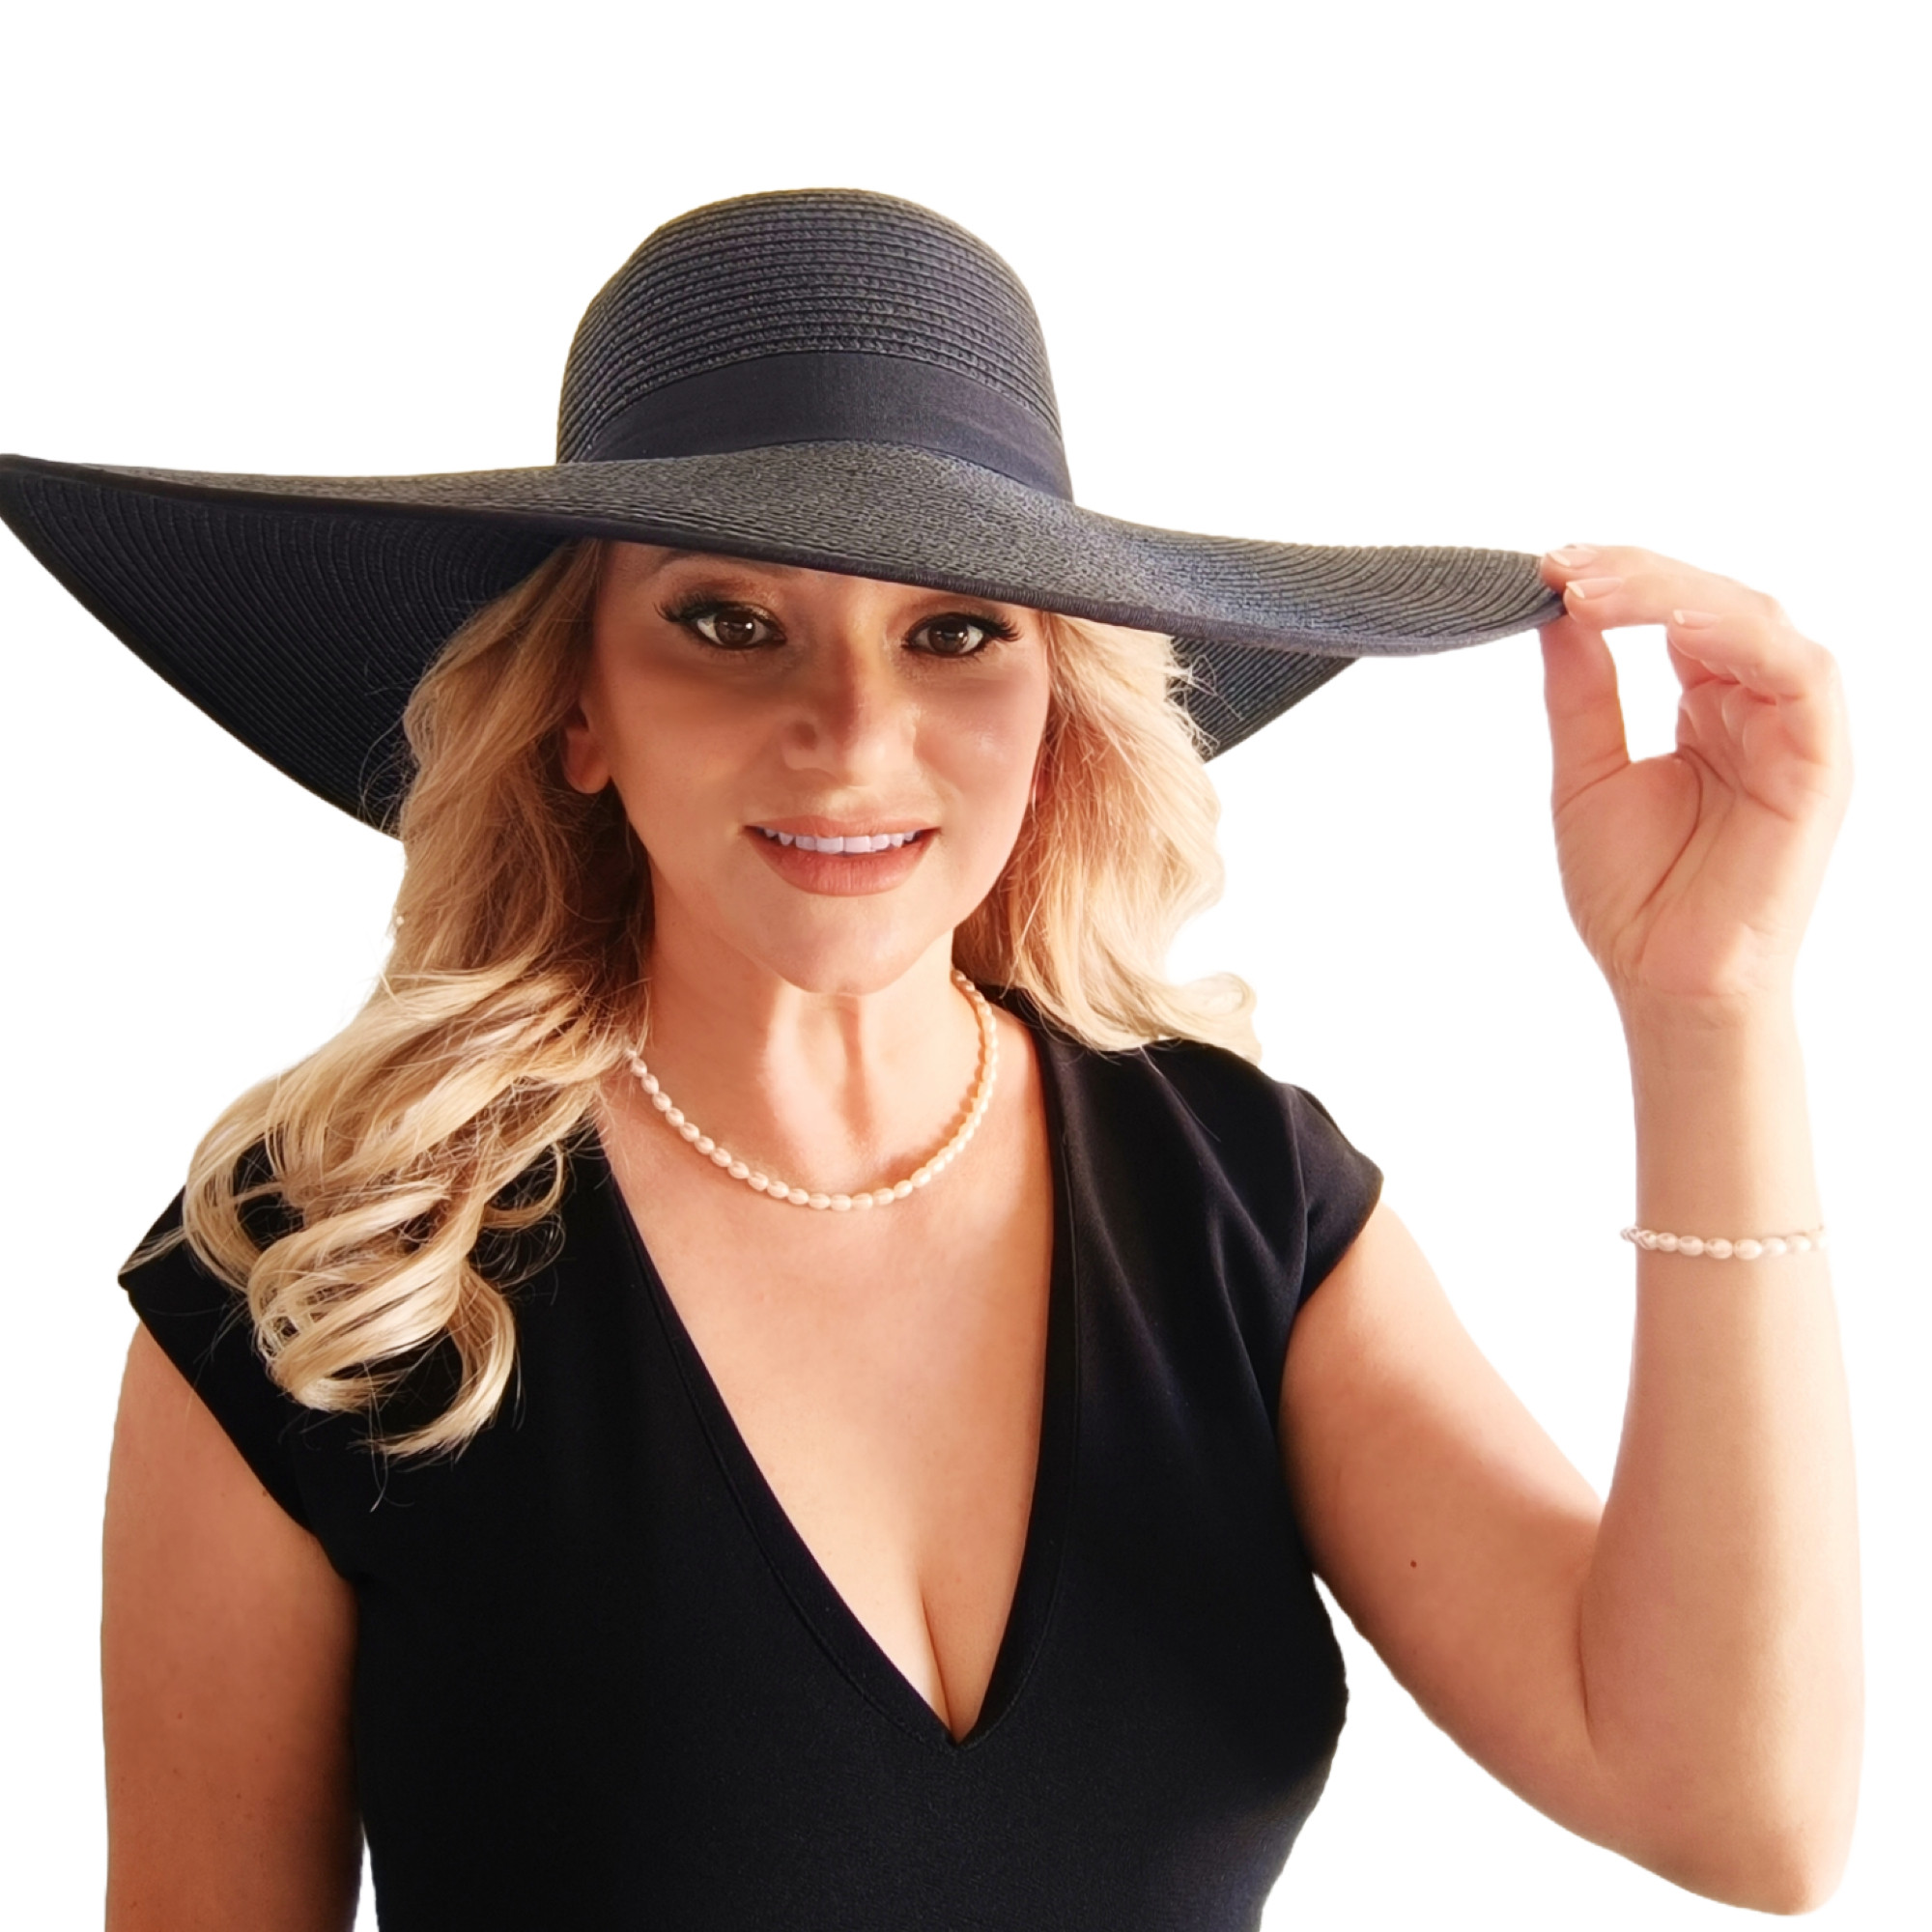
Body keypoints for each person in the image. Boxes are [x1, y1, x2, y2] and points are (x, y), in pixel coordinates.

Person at [0, 189, 1860, 1929]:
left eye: (956, 631)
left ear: (1055, 707)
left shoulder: (1235, 1200)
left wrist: (1709, 1010)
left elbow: (1738, 1810)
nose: (854, 735)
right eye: (727, 624)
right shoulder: (333, 1280)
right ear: (579, 708)